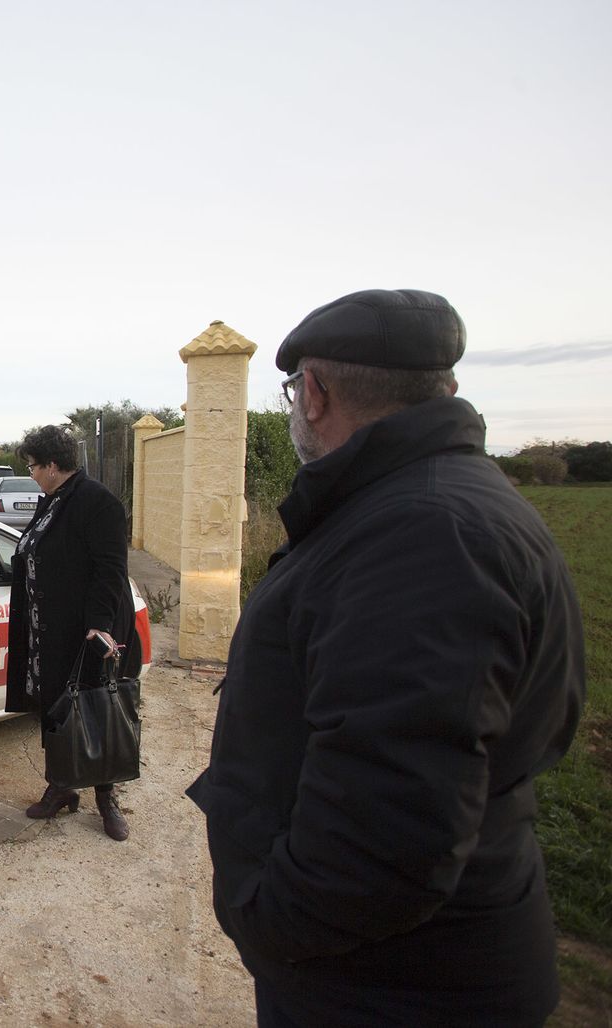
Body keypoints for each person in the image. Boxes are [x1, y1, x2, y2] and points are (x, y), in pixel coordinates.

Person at [186, 289, 584, 1026]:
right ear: (446, 392)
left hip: (390, 986)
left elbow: (390, 831)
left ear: (313, 395)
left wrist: (268, 925)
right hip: (413, 967)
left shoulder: (422, 535)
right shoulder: (442, 504)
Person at [3, 425, 136, 841]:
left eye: (33, 466)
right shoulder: (53, 500)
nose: (32, 474)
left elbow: (110, 569)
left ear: (53, 466)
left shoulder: (97, 503)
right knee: (57, 709)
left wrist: (98, 626)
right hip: (48, 631)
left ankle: (106, 797)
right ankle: (62, 786)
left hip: (86, 632)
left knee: (95, 708)